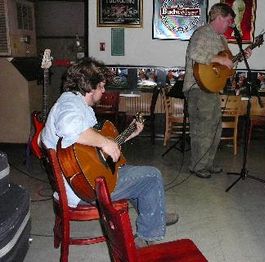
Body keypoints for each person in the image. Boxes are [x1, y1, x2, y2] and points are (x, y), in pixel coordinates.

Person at [41, 58, 178, 248]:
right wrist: (105, 142)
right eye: (102, 86)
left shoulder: (74, 102)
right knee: (152, 176)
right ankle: (149, 233)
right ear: (90, 86)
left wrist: (129, 134)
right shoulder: (70, 105)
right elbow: (69, 128)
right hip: (83, 189)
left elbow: (91, 149)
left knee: (128, 169)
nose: (104, 91)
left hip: (80, 180)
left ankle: (155, 214)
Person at [183, 3, 251, 179]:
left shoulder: (220, 39)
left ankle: (208, 163)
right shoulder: (202, 33)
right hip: (198, 88)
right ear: (219, 18)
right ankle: (198, 166)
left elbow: (225, 66)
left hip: (211, 88)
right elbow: (194, 53)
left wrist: (238, 58)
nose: (230, 25)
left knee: (215, 128)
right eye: (228, 20)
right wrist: (219, 59)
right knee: (203, 129)